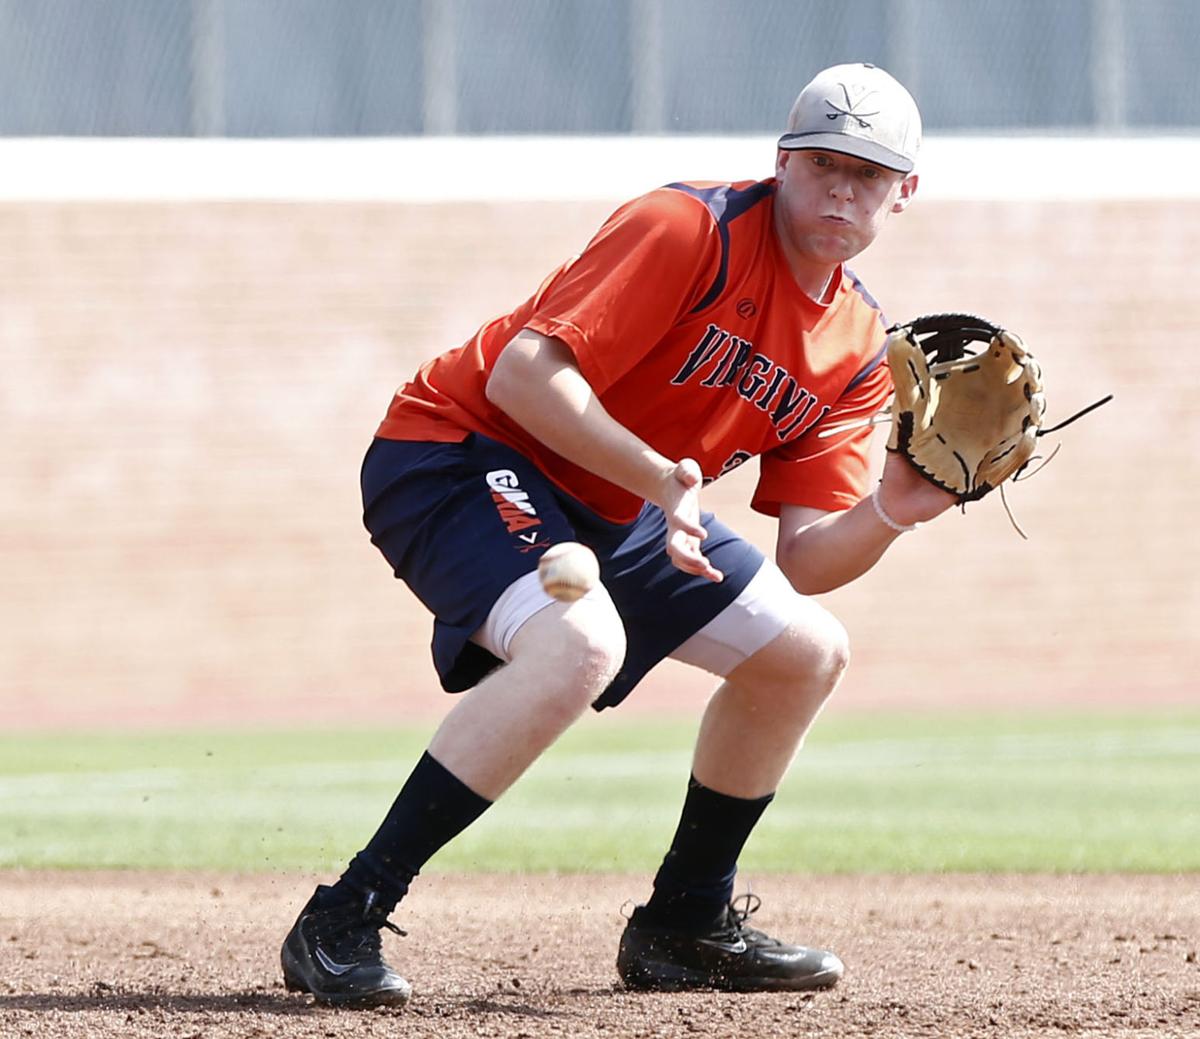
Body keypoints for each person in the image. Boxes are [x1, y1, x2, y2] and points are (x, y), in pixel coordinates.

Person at [281, 62, 954, 1007]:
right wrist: (658, 481)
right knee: (579, 643)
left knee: (805, 652)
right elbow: (523, 375)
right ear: (782, 161)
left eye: (869, 174)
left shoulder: (854, 350)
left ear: (904, 193)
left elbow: (808, 558)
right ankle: (343, 916)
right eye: (822, 164)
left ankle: (685, 922)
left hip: (624, 503)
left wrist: (892, 509)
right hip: (457, 446)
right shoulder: (689, 229)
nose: (842, 188)